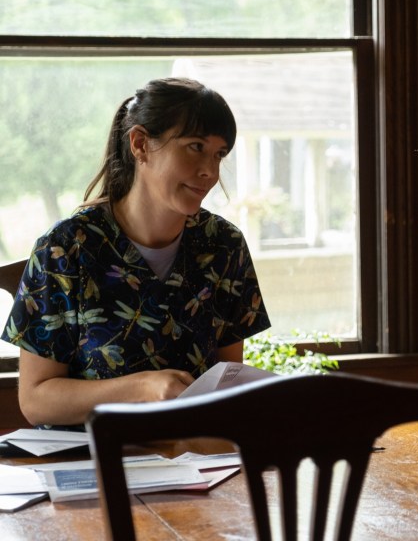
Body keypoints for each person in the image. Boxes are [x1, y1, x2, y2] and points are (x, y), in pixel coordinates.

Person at [2, 77, 271, 428]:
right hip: (91, 455)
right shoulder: (66, 248)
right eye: (195, 147)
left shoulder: (224, 245)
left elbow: (227, 382)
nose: (210, 171)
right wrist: (142, 388)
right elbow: (36, 401)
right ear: (140, 144)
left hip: (196, 453)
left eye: (219, 154)